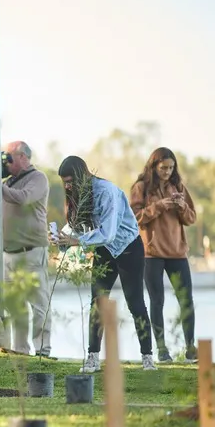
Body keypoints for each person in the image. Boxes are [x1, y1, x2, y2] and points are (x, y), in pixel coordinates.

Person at [53, 155, 156, 372]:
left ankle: (147, 357)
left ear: (82, 175)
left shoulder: (106, 191)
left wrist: (77, 241)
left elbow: (108, 233)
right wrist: (61, 238)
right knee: (97, 301)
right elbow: (78, 227)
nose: (68, 186)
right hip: (105, 249)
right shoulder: (79, 194)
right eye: (65, 182)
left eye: (71, 180)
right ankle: (92, 357)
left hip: (128, 247)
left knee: (135, 302)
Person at [130, 147, 198, 363]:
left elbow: (191, 218)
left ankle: (190, 348)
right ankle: (162, 350)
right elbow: (134, 218)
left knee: (186, 301)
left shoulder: (178, 187)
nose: (168, 172)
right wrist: (158, 206)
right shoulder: (140, 188)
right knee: (157, 301)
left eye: (171, 168)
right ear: (154, 166)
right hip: (151, 254)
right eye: (163, 168)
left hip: (177, 252)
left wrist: (181, 206)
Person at [0, 141, 52, 357]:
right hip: (9, 253)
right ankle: (21, 350)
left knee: (39, 304)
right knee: (15, 306)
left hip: (31, 250)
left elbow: (24, 198)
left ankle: (43, 350)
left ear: (23, 157)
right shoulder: (8, 183)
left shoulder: (37, 178)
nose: (6, 163)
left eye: (9, 158)